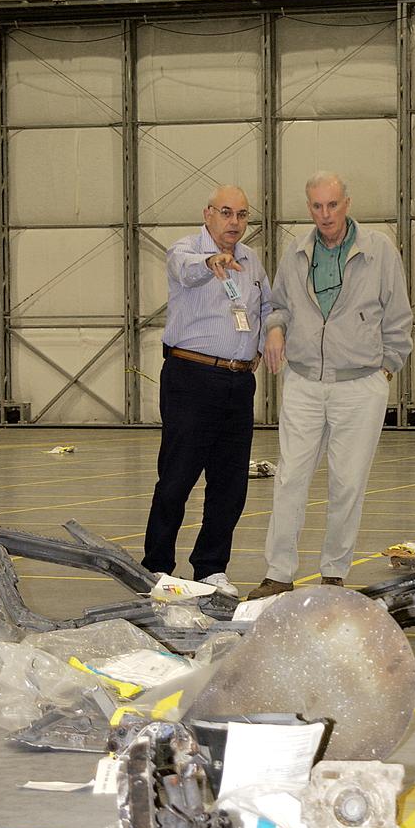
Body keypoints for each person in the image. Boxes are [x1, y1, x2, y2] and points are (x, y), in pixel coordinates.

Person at [247, 172, 413, 599]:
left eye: (333, 205)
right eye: (317, 207)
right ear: (309, 208)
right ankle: (278, 572)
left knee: (347, 483)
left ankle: (334, 575)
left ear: (347, 203)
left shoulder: (379, 251)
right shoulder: (296, 252)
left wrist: (386, 369)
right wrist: (276, 329)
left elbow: (398, 316)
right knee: (289, 479)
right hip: (303, 382)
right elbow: (279, 304)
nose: (326, 215)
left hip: (361, 386)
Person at [142, 185, 272, 597]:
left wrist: (275, 333)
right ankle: (157, 567)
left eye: (242, 215)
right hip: (190, 376)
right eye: (226, 213)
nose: (234, 222)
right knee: (177, 478)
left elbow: (268, 307)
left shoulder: (252, 262)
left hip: (239, 381)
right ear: (208, 213)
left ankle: (211, 568)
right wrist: (211, 260)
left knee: (230, 484)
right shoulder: (185, 250)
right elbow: (186, 269)